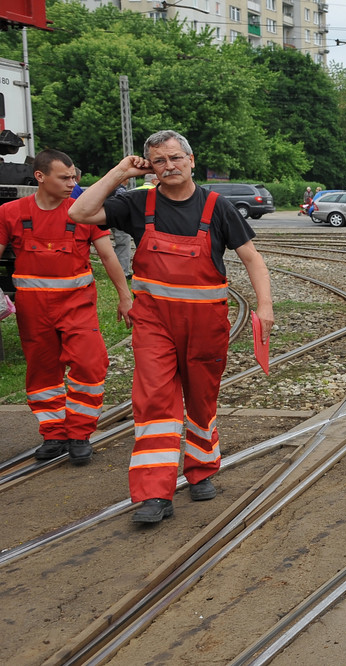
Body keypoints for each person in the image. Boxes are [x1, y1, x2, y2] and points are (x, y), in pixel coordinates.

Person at [70, 130, 274, 525]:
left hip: (205, 325)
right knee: (155, 404)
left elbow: (252, 258)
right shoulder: (135, 202)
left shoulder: (217, 206)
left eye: (176, 158)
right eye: (159, 161)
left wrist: (264, 307)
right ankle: (153, 494)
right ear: (150, 166)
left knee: (201, 400)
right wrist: (119, 173)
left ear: (191, 160)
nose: (169, 166)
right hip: (154, 323)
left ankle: (201, 468)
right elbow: (79, 214)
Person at [0, 149, 133, 465]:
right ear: (40, 177)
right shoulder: (10, 212)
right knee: (42, 372)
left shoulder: (82, 212)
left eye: (74, 177)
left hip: (77, 306)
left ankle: (79, 432)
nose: (72, 183)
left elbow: (108, 255)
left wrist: (125, 296)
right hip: (34, 310)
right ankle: (54, 434)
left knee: (91, 364)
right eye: (65, 177)